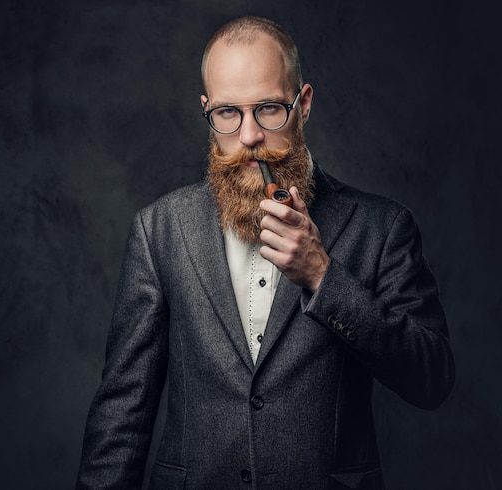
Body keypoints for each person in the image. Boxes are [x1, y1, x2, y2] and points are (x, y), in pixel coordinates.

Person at [76, 16, 454, 490]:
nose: (250, 135)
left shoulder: (383, 227)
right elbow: (122, 412)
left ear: (304, 104)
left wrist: (323, 275)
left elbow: (432, 379)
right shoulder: (161, 230)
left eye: (270, 108)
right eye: (228, 113)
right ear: (207, 111)